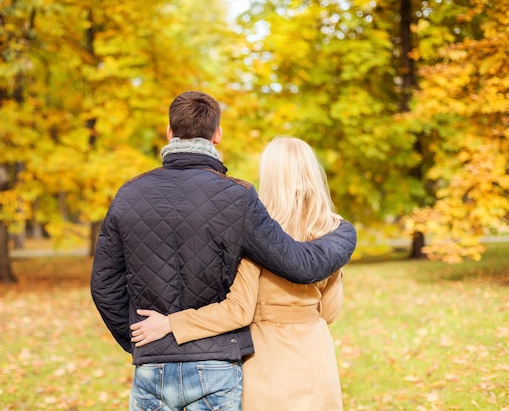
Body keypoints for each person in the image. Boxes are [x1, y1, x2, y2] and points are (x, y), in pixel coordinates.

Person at [90, 91, 356, 411]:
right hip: (229, 363)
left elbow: (104, 285)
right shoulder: (238, 199)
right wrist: (343, 234)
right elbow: (304, 273)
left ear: (169, 132)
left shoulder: (128, 193)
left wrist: (143, 340)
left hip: (160, 362)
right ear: (218, 134)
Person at [131, 136, 348, 410]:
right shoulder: (330, 231)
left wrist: (172, 323)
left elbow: (238, 311)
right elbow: (328, 312)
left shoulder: (258, 231)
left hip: (268, 360)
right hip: (317, 357)